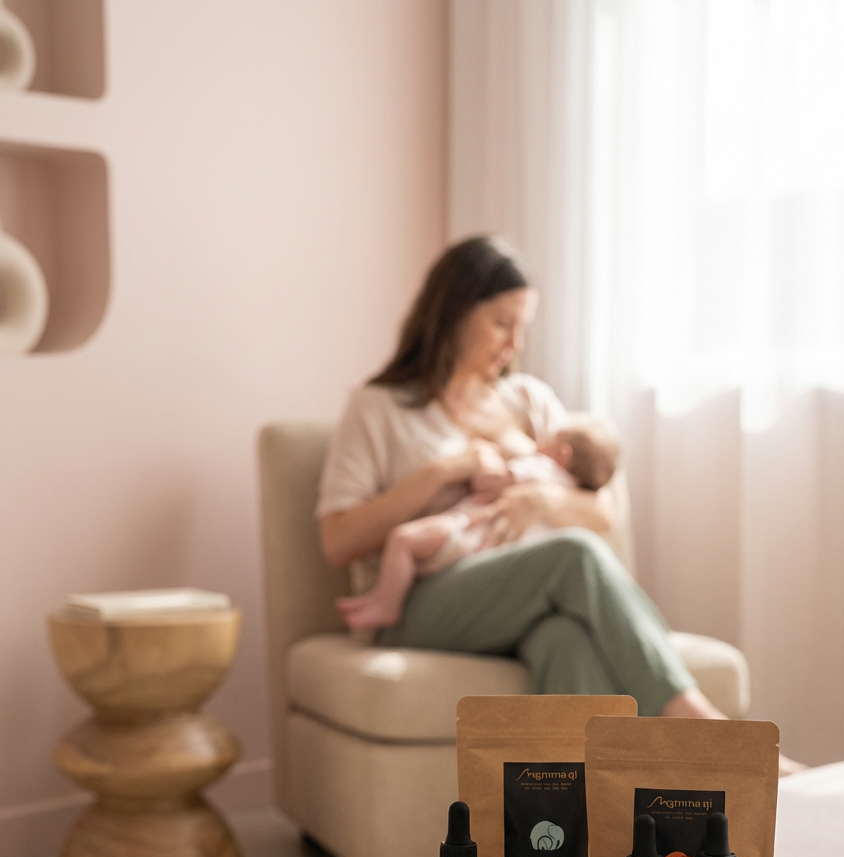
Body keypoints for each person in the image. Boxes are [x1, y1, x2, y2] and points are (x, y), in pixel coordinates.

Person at [316, 234, 802, 769]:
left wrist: (539, 504)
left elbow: (601, 512)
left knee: (565, 639)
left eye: (523, 326)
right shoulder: (379, 408)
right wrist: (441, 471)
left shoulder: (529, 401)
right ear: (452, 313)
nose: (515, 343)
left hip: (523, 600)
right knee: (571, 555)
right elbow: (338, 541)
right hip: (423, 602)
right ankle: (699, 724)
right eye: (502, 323)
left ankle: (587, 832)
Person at [336, 422, 620, 630]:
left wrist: (485, 465)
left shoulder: (540, 466)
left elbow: (490, 480)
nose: (538, 441)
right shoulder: (571, 484)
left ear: (562, 455)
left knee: (403, 540)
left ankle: (385, 601)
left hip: (471, 534)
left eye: (549, 438)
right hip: (500, 562)